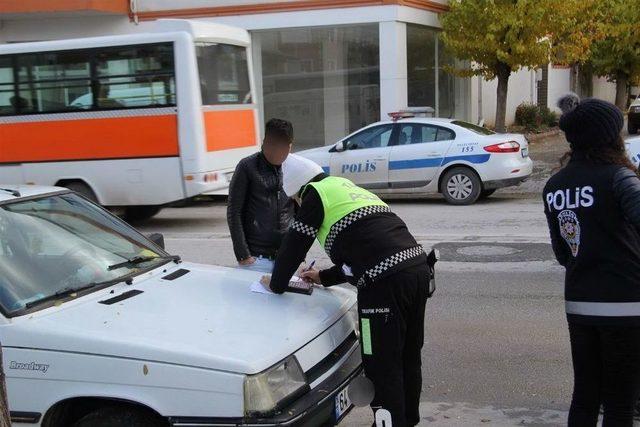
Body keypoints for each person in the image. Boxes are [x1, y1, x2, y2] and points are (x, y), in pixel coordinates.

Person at [261, 153, 435, 427]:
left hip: (384, 286)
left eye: (294, 201)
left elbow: (292, 248)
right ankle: (407, 421)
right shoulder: (346, 188)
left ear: (298, 192)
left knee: (381, 364)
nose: (296, 205)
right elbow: (369, 251)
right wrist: (322, 276)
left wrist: (276, 282)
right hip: (417, 270)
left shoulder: (314, 195)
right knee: (408, 355)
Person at [543, 93, 640, 427]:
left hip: (580, 303)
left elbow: (562, 253)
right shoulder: (619, 177)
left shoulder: (554, 185)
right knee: (620, 402)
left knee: (585, 396)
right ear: (610, 136)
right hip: (627, 304)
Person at [226, 118, 296, 273]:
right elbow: (234, 211)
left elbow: (298, 210)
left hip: (287, 256)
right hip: (257, 259)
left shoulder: (294, 166)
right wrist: (243, 254)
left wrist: (298, 251)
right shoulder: (247, 166)